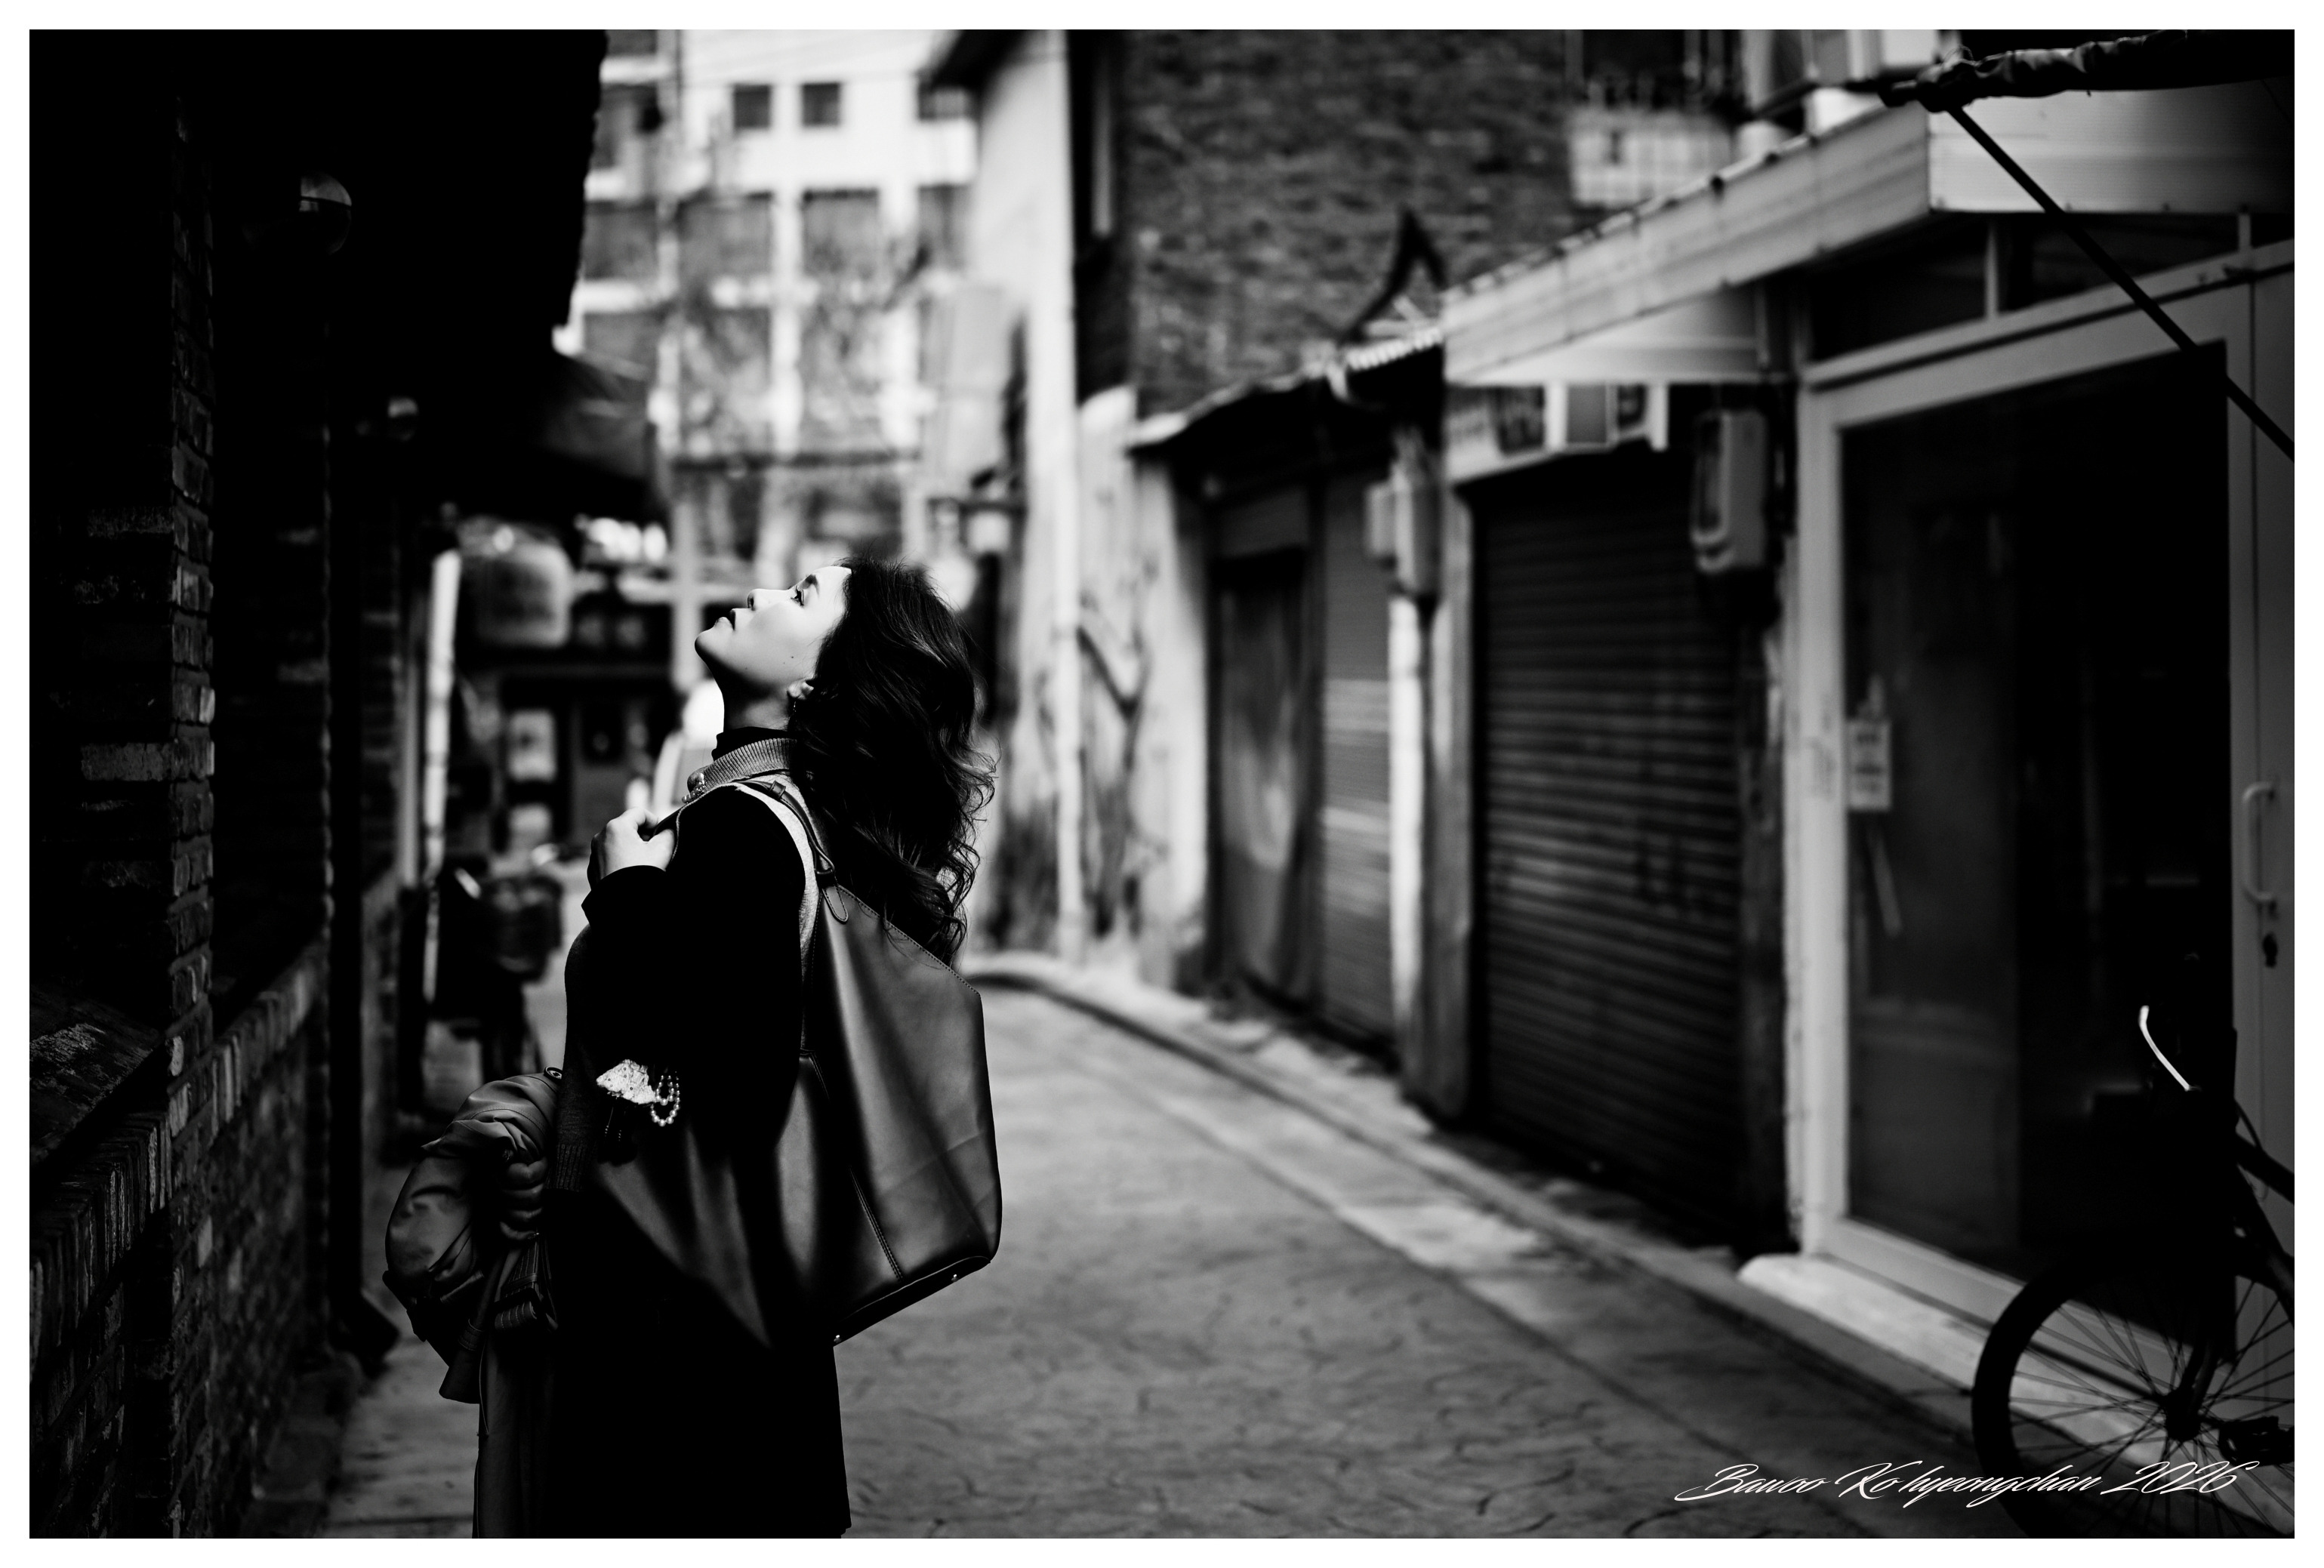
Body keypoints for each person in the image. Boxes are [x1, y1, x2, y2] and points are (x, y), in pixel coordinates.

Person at [493, 557, 990, 1536]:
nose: (760, 594)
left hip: (682, 1346)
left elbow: (730, 1082)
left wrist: (625, 891)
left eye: (800, 596)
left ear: (814, 682)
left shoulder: (744, 828)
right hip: (743, 1324)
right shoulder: (792, 818)